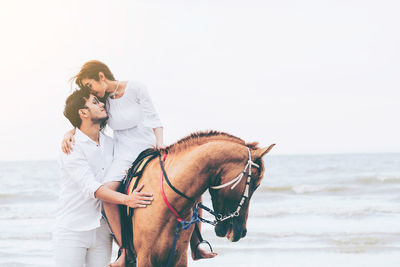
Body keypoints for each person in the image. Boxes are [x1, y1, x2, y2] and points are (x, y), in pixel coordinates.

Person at [61, 60, 217, 262]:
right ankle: (126, 250)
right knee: (107, 194)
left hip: (149, 145)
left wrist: (159, 144)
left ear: (101, 76)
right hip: (123, 152)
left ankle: (196, 243)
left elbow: (154, 119)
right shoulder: (103, 101)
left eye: (90, 85)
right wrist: (71, 131)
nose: (92, 92)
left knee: (190, 182)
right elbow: (88, 120)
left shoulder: (135, 87)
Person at [55, 89, 153, 267]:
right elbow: (91, 188)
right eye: (95, 102)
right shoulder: (72, 147)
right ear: (83, 113)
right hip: (73, 229)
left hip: (103, 229)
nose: (102, 104)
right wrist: (128, 200)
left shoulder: (112, 143)